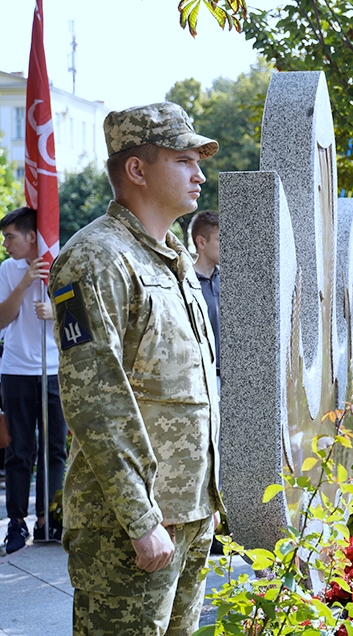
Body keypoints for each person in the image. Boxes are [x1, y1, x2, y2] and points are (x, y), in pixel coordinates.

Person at [48, 102, 222, 634]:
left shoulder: (172, 257)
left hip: (189, 510)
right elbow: (95, 401)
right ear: (137, 169)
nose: (200, 174)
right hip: (130, 525)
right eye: (184, 159)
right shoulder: (97, 257)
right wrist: (141, 518)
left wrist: (209, 501)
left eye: (199, 160)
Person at [0, 207, 68, 553]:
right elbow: (2, 319)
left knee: (55, 449)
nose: (6, 244)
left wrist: (55, 311)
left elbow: (80, 316)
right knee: (19, 450)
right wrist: (25, 283)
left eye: (10, 236)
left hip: (54, 369)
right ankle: (16, 522)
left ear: (31, 237)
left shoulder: (61, 264)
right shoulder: (7, 270)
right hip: (16, 370)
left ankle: (49, 517)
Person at [190, 210, 221, 391]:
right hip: (201, 382)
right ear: (201, 242)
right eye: (220, 240)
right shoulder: (184, 283)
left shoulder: (229, 281)